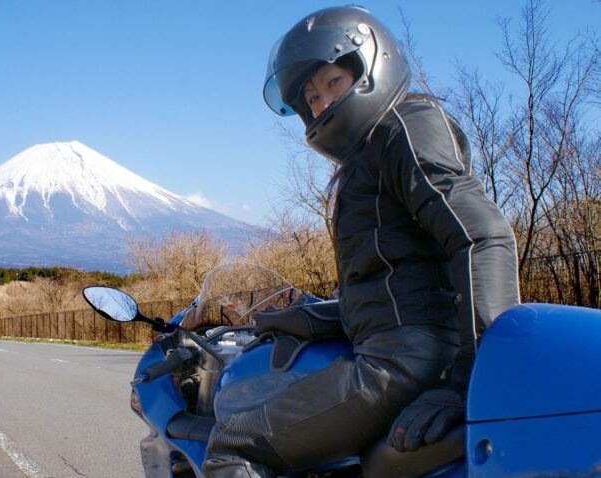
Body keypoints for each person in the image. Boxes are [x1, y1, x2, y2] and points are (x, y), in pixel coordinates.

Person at [202, 5, 520, 477]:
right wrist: (309, 318)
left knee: (231, 444)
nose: (322, 104)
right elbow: (400, 280)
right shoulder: (372, 151)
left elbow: (481, 237)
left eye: (332, 83)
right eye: (310, 97)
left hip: (401, 362)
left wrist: (470, 382)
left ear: (371, 65)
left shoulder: (404, 127)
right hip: (404, 349)